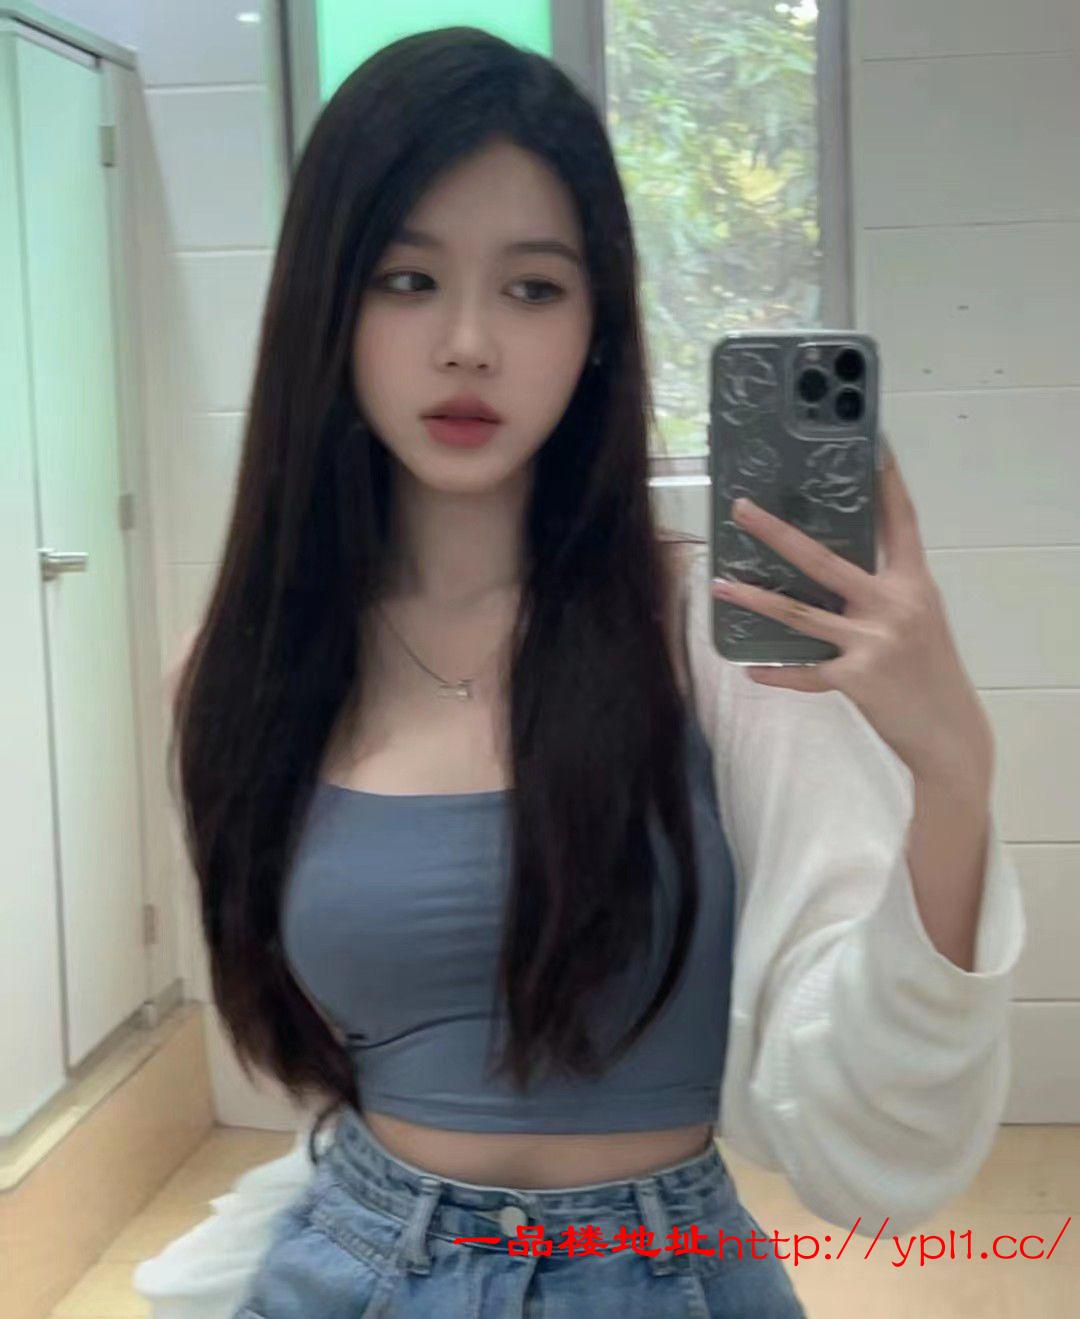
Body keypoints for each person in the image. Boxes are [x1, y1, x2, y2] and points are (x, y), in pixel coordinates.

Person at [134, 26, 1024, 1318]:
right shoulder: (237, 676)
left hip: (657, 1276)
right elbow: (314, 1061)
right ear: (326, 307)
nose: (468, 343)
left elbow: (883, 1143)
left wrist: (953, 771)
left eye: (535, 288)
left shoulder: (707, 638)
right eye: (406, 279)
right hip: (349, 1266)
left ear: (599, 325)